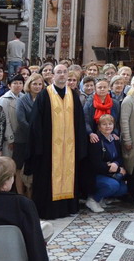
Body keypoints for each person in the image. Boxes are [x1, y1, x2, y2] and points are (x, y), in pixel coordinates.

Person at [25, 63, 86, 219]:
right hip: (48, 149)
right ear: (52, 75)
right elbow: (35, 124)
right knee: (47, 178)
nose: (62, 75)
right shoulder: (45, 95)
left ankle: (68, 208)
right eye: (58, 72)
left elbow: (80, 123)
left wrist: (80, 146)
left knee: (69, 175)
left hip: (69, 149)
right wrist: (38, 147)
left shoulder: (73, 95)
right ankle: (48, 210)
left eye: (65, 72)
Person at [85, 114, 127, 213]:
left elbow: (119, 157)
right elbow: (96, 164)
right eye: (104, 124)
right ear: (99, 127)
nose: (107, 126)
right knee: (113, 186)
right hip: (97, 175)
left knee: (123, 188)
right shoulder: (95, 141)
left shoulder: (115, 140)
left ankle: (102, 198)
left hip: (110, 173)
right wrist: (117, 169)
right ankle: (92, 200)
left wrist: (116, 164)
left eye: (110, 124)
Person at [16, 72, 44, 196]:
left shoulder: (44, 99)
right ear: (29, 84)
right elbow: (21, 120)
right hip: (24, 138)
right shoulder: (22, 99)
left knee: (35, 168)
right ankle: (20, 195)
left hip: (39, 140)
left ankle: (33, 195)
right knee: (20, 168)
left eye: (40, 84)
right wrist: (34, 133)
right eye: (35, 84)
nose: (37, 86)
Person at [0, 74, 25, 194]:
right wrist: (10, 138)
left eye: (20, 83)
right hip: (10, 137)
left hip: (21, 138)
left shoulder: (24, 97)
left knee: (18, 167)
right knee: (8, 165)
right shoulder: (4, 99)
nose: (18, 85)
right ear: (9, 85)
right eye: (15, 83)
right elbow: (5, 120)